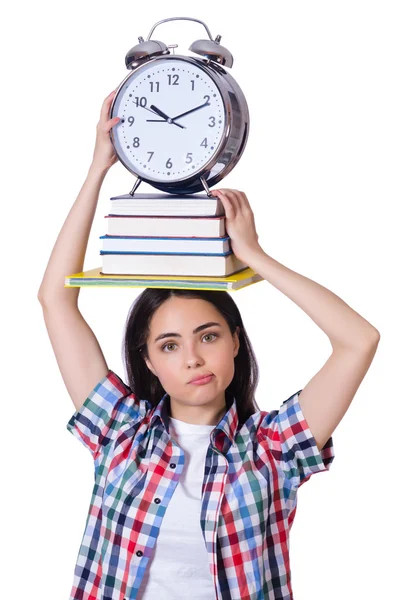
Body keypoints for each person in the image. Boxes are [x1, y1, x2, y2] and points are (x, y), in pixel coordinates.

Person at [38, 91, 380, 600]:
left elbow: (359, 340)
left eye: (209, 336)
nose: (194, 358)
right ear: (149, 360)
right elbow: (54, 300)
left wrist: (254, 256)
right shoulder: (120, 432)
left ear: (236, 343)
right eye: (170, 346)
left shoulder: (273, 449)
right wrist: (98, 170)